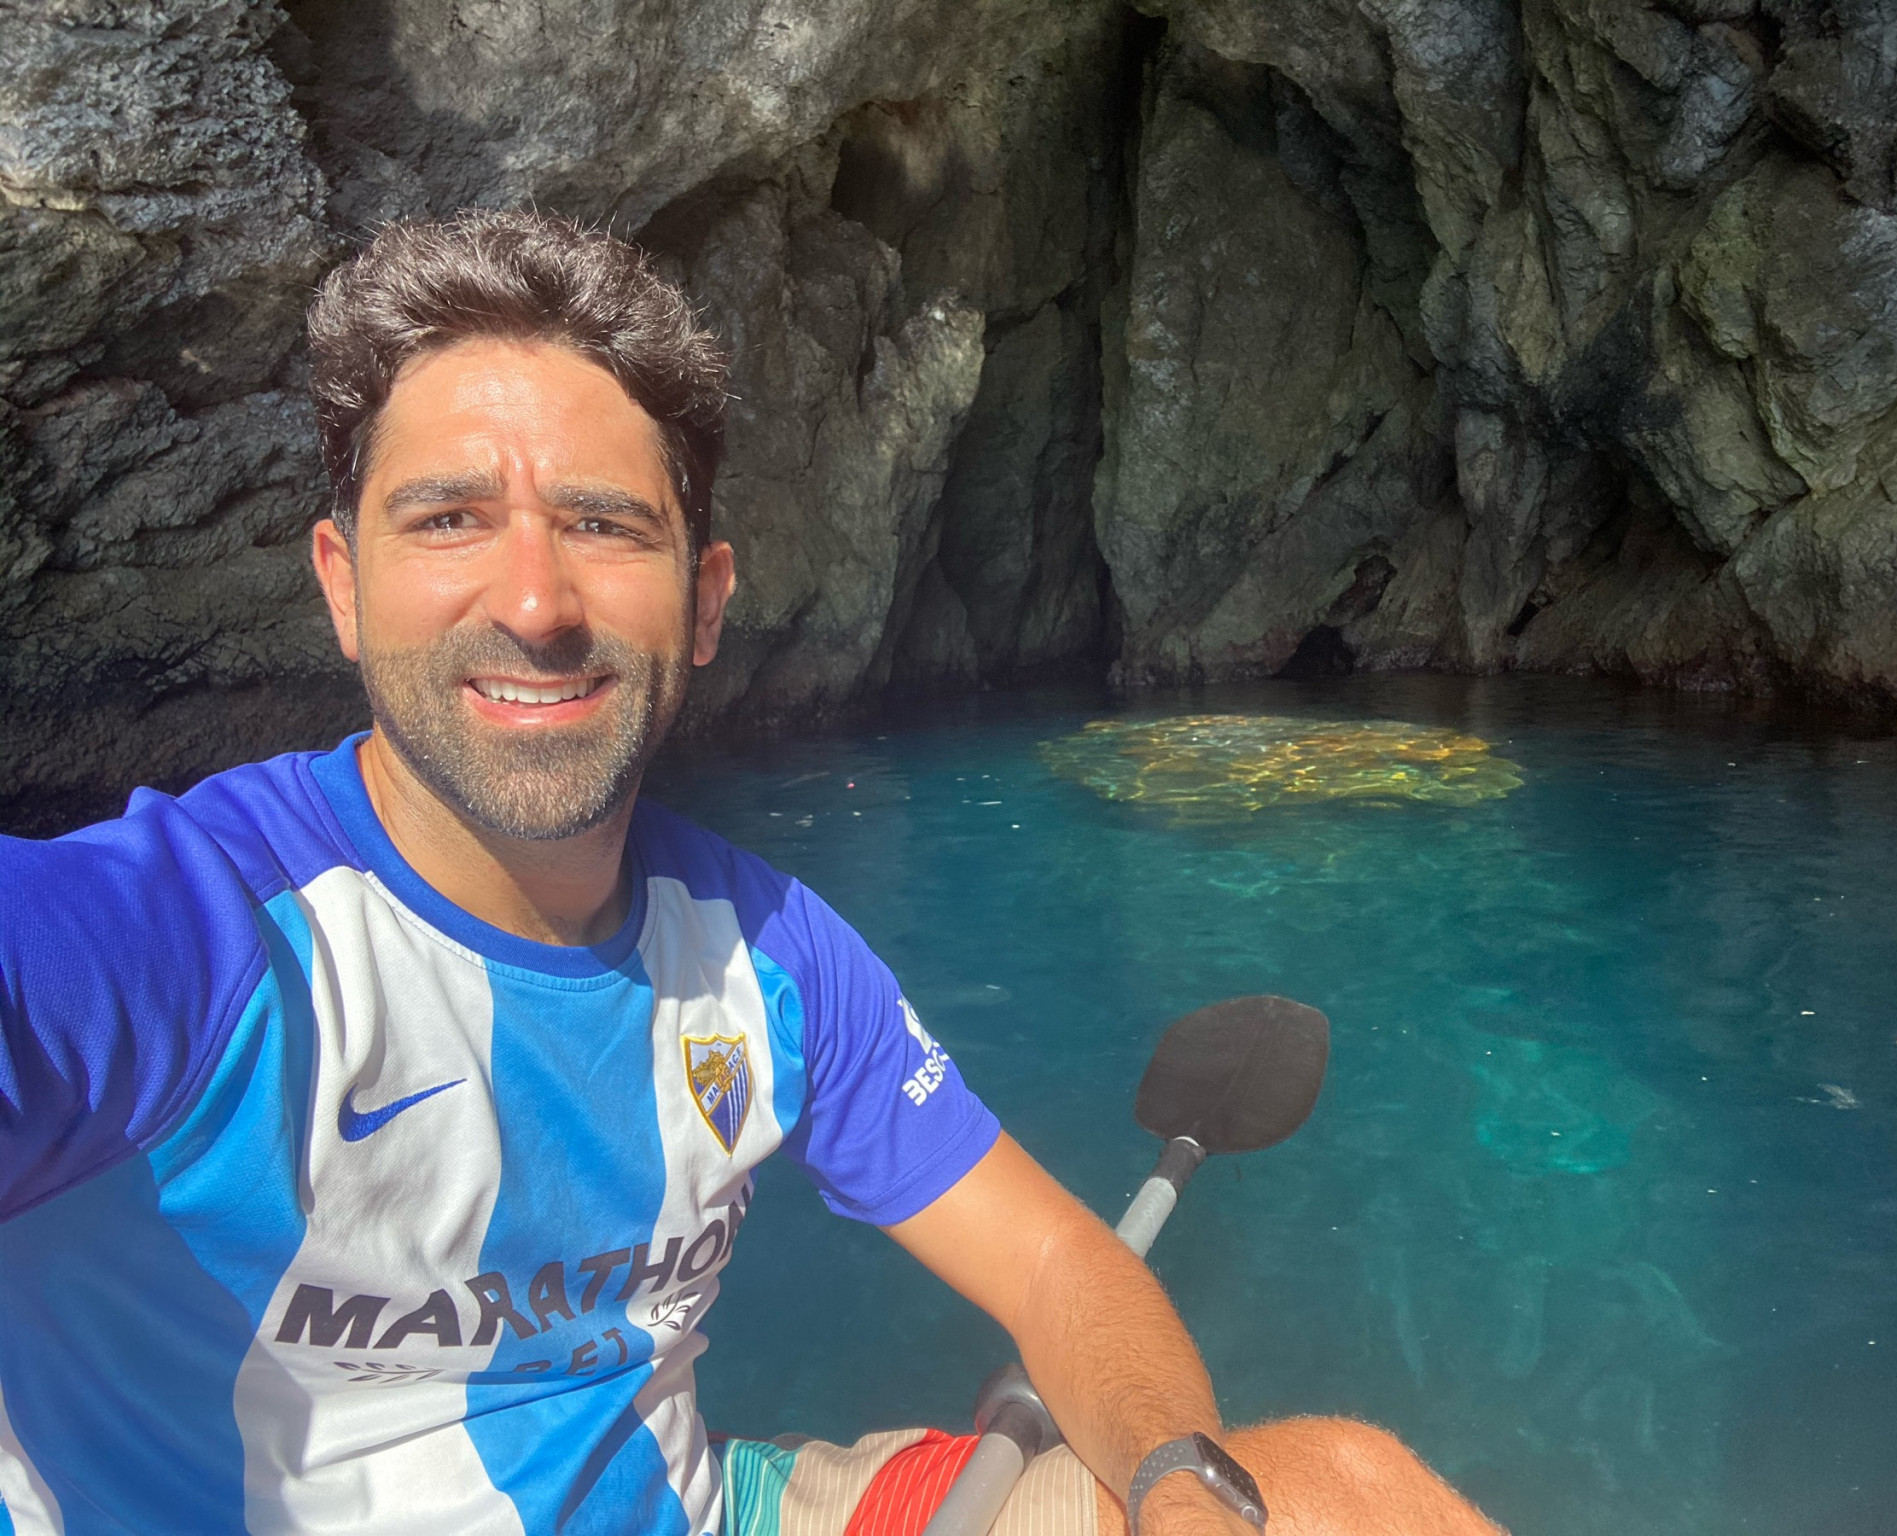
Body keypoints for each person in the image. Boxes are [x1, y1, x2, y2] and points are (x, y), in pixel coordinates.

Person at [0, 211, 1497, 1536]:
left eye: (604, 525)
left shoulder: (769, 953)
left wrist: (1180, 1485)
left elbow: (1059, 1267)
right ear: (343, 584)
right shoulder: (169, 939)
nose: (534, 599)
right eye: (449, 519)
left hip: (697, 1506)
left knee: (1349, 1496)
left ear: (706, 602)